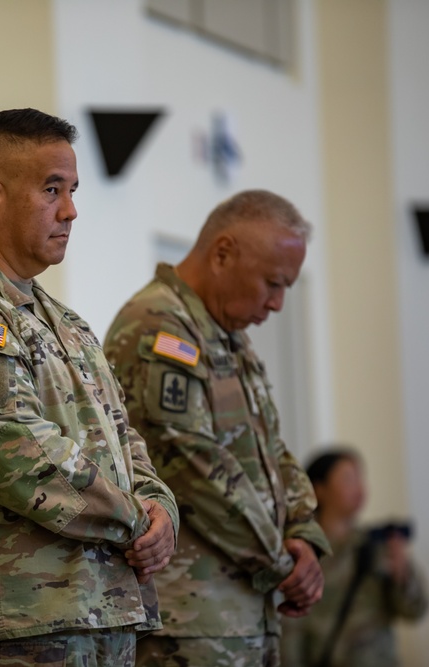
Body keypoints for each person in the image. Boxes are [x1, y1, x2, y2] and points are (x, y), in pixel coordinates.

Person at [0, 108, 178, 666]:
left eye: (73, 190)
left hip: (102, 612)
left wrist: (160, 508)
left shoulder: (66, 322)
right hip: (22, 622)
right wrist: (134, 521)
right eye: (52, 189)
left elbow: (125, 439)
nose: (71, 210)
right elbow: (15, 456)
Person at [103, 189, 332, 667]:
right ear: (224, 253)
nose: (278, 303)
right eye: (272, 282)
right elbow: (189, 463)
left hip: (247, 613)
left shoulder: (229, 337)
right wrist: (282, 562)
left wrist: (305, 533)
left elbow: (273, 452)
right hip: (189, 623)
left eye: (287, 286)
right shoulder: (159, 327)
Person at [280, 448, 429, 667]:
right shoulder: (301, 552)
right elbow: (290, 629)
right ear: (319, 489)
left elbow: (415, 611)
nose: (359, 487)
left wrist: (403, 573)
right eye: (348, 479)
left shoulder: (377, 546)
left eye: (361, 477)